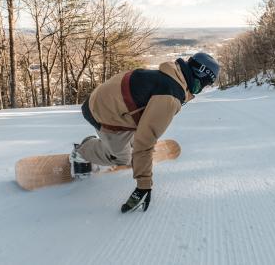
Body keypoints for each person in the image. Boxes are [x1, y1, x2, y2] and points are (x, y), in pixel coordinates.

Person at [70, 52, 220, 213]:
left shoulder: (171, 75)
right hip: (102, 113)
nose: (203, 88)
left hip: (110, 104)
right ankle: (82, 152)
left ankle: (126, 144)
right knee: (122, 157)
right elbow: (145, 141)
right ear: (201, 76)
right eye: (207, 84)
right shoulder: (170, 96)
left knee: (138, 139)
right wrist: (144, 186)